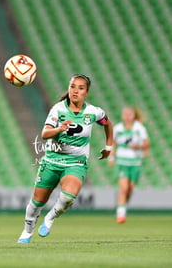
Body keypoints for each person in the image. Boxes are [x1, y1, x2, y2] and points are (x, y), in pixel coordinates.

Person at [17, 74, 113, 243]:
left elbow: (107, 123)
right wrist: (59, 129)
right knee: (37, 202)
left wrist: (109, 147)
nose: (75, 91)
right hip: (52, 161)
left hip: (75, 162)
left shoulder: (93, 112)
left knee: (69, 196)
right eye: (72, 86)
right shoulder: (58, 109)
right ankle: (27, 232)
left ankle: (50, 218)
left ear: (87, 92)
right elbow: (45, 133)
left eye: (80, 88)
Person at [108, 107, 149, 223]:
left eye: (129, 114)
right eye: (125, 114)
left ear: (133, 116)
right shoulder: (118, 128)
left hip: (135, 163)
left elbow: (146, 143)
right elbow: (113, 143)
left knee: (130, 189)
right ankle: (120, 214)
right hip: (122, 162)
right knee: (124, 188)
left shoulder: (139, 128)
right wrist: (111, 157)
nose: (127, 116)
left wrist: (139, 147)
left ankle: (123, 206)